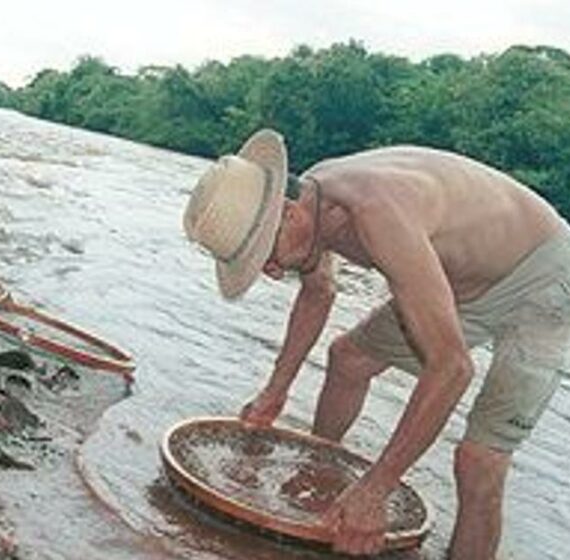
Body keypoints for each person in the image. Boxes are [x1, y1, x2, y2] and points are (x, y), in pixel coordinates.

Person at [182, 129, 570, 559]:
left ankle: (362, 502)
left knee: (479, 461)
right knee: (348, 358)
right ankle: (319, 482)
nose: (271, 272)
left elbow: (452, 368)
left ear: (289, 214)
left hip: (545, 279)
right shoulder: (314, 198)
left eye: (265, 256)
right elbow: (319, 291)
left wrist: (377, 488)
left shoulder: (377, 212)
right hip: (460, 282)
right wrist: (276, 389)